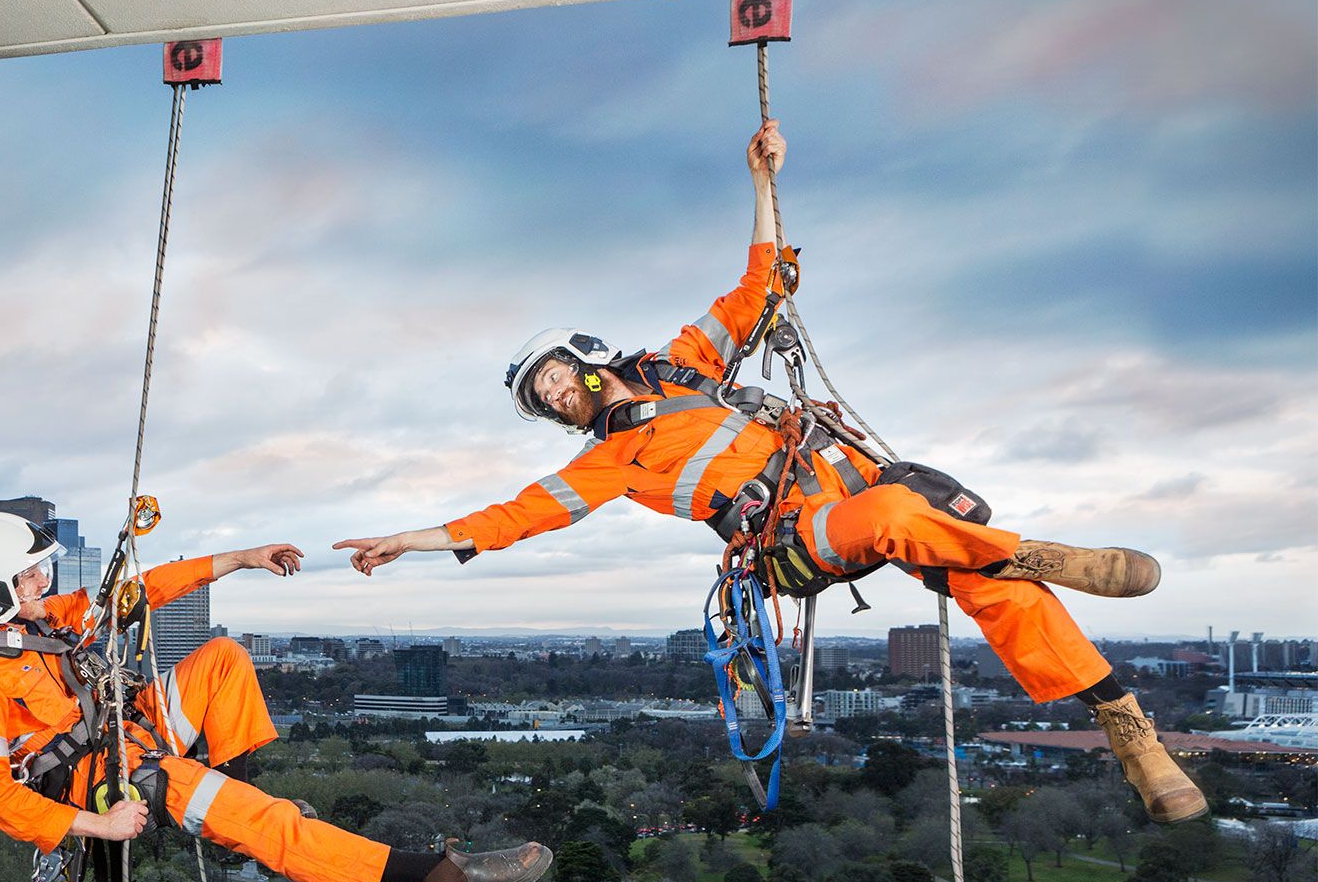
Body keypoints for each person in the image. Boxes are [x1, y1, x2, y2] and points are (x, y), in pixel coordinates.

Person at [334, 121, 1204, 824]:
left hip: (846, 471)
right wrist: (408, 541)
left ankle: (1131, 734)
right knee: (898, 516)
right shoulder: (608, 462)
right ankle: (1046, 551)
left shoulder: (683, 364)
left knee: (992, 585)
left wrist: (760, 183)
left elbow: (757, 289)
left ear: (586, 359)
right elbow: (512, 516)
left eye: (558, 377)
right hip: (796, 532)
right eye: (545, 397)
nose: (558, 395)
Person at [0, 511, 552, 882]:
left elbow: (142, 589)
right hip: (104, 781)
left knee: (225, 657)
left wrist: (241, 558)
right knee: (274, 825)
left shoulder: (43, 622)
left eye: (42, 568)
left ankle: (233, 806)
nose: (45, 580)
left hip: (129, 729)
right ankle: (447, 876)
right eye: (29, 574)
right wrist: (97, 827)